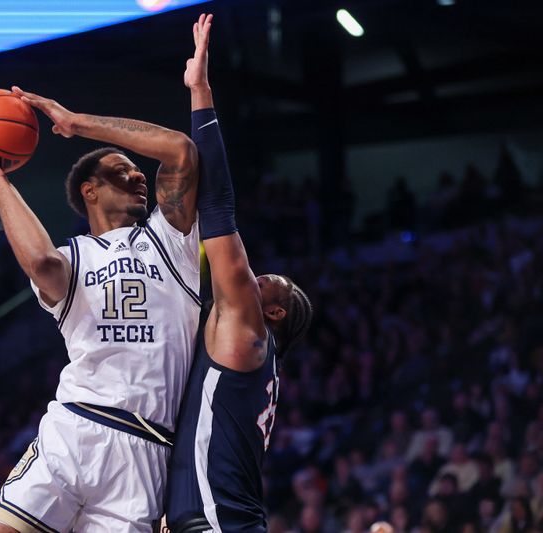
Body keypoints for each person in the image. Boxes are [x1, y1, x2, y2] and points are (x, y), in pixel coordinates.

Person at [0, 80, 201, 530]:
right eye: (122, 170)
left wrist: (75, 123)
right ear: (90, 191)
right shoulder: (71, 257)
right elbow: (41, 262)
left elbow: (180, 150)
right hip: (75, 426)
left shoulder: (171, 240)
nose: (139, 175)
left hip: (147, 448)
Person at [164, 14, 313, 533]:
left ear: (273, 311)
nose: (265, 275)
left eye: (277, 283)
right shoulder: (251, 358)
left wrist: (200, 90)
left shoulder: (247, 325)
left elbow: (219, 206)